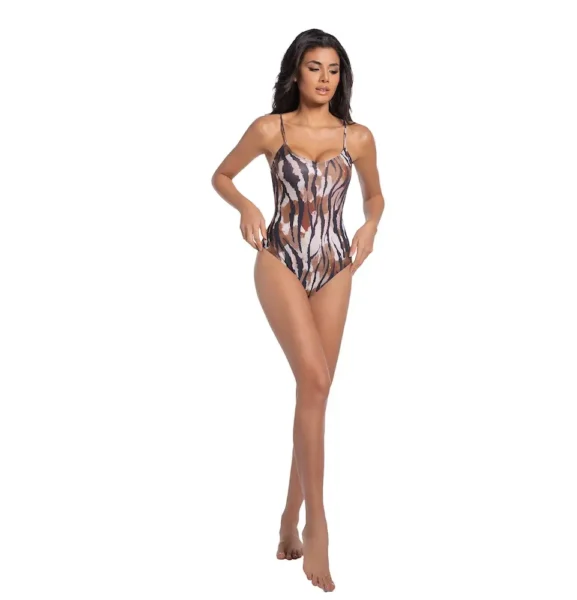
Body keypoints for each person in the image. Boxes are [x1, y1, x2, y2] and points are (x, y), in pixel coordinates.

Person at [211, 28, 385, 593]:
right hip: (280, 259)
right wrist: (245, 205)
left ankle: (289, 518)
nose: (325, 78)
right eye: (315, 68)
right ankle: (318, 525)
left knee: (315, 391)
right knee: (315, 379)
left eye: (334, 69)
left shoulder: (357, 137)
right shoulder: (271, 129)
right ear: (296, 72)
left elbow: (375, 194)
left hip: (336, 266)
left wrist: (371, 225)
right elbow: (220, 175)